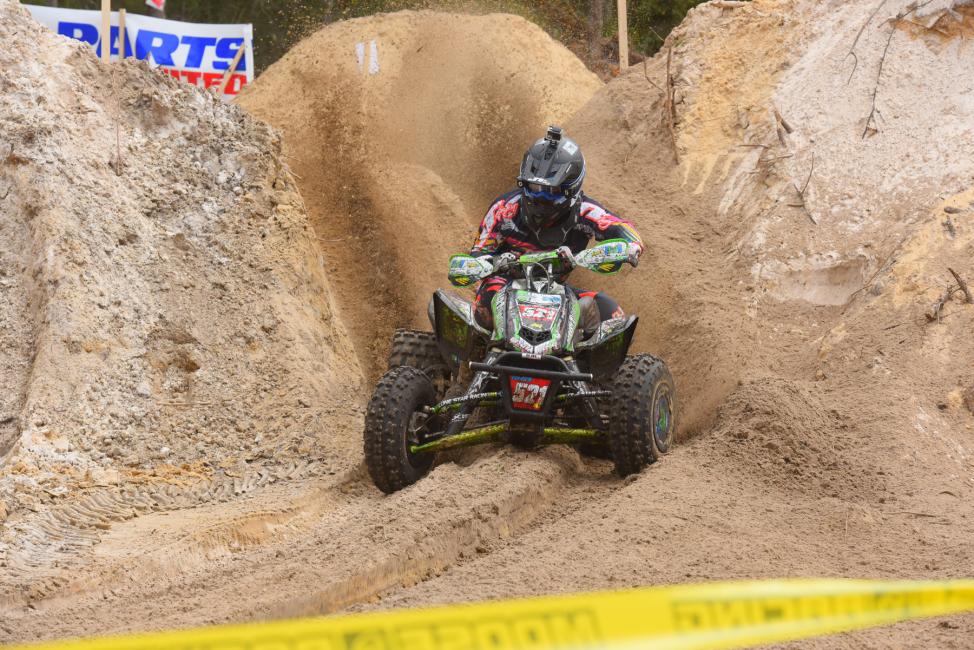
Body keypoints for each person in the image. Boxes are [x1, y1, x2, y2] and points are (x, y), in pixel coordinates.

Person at [468, 126, 643, 335]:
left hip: (557, 295)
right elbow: (478, 251)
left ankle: (584, 364)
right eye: (534, 188)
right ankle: (474, 358)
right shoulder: (504, 209)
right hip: (505, 288)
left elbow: (623, 228)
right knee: (488, 299)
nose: (541, 197)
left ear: (572, 188)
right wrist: (496, 262)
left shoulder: (586, 211)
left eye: (551, 191)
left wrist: (630, 247)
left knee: (610, 312)